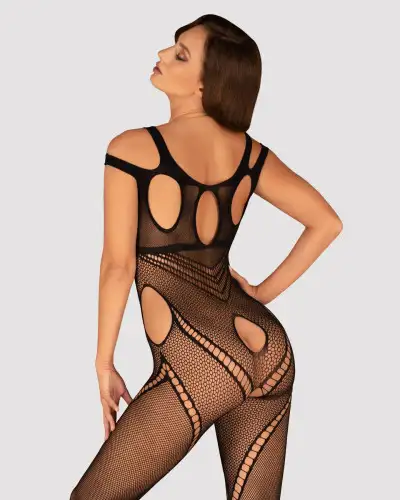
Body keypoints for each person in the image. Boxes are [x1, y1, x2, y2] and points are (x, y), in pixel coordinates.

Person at [70, 13, 342, 500]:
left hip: (199, 360)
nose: (161, 55)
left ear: (204, 84)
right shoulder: (250, 154)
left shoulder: (132, 149)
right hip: (269, 351)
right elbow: (326, 222)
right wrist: (260, 293)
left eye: (180, 55)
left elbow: (117, 266)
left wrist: (103, 361)